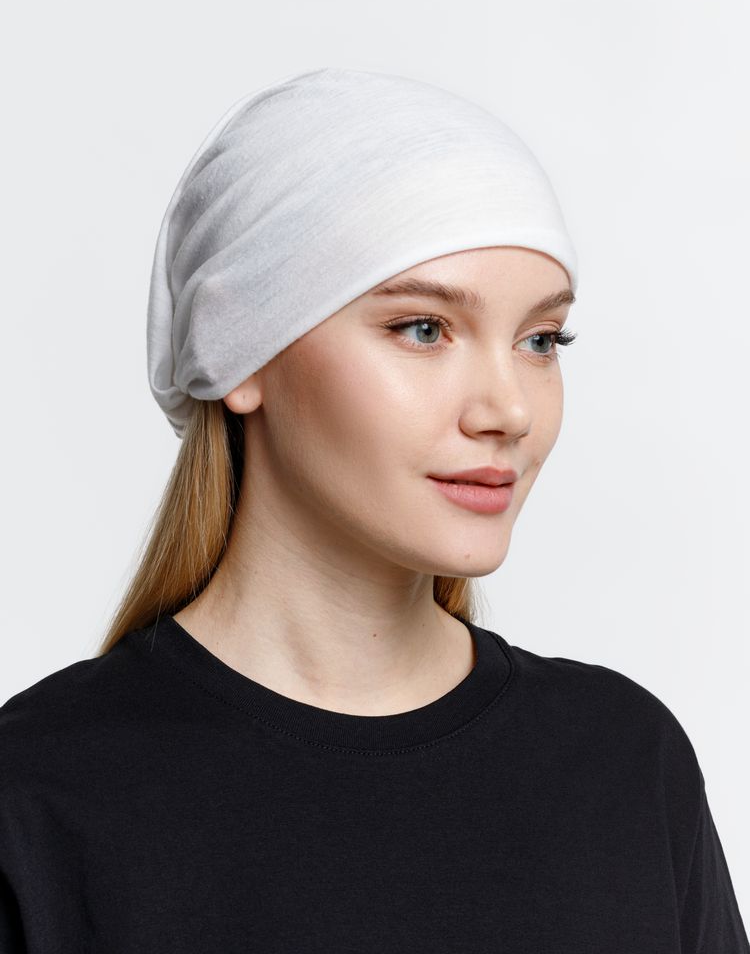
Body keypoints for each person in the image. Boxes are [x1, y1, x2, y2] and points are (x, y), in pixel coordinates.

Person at [1, 67, 747, 952]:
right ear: (241, 350)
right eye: (423, 329)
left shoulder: (624, 763)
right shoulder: (38, 795)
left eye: (541, 340)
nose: (508, 409)